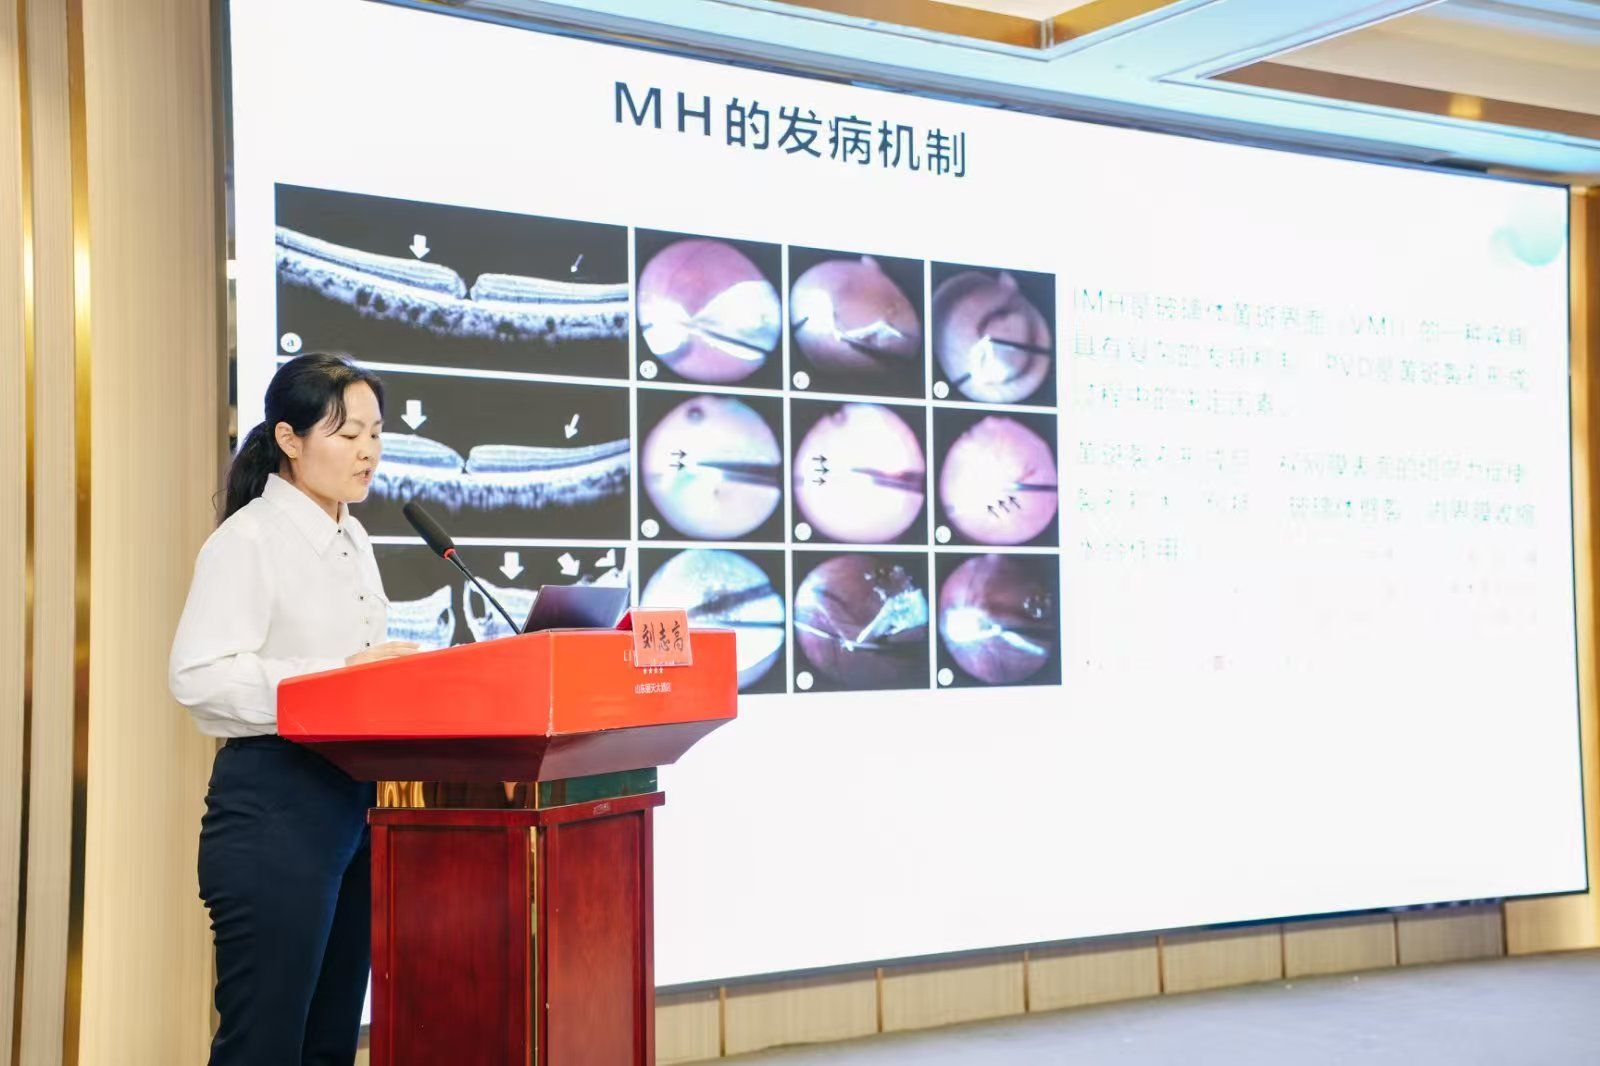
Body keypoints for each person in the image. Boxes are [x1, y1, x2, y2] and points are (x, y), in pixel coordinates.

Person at [169, 352, 419, 1064]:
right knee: (264, 1047)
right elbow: (198, 678)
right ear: (289, 439)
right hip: (274, 808)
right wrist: (338, 679)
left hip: (353, 806)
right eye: (348, 434)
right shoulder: (247, 541)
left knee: (328, 1044)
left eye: (376, 433)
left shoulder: (353, 537)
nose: (368, 451)